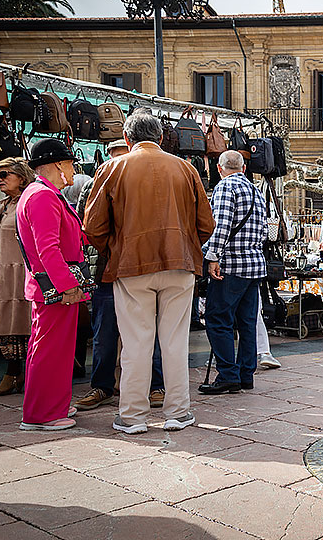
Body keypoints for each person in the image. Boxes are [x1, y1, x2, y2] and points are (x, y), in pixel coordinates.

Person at [84, 109, 214, 434]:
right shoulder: (185, 168)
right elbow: (206, 225)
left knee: (136, 343)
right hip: (180, 264)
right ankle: (178, 413)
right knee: (174, 342)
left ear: (127, 139)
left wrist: (117, 249)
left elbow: (92, 227)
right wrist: (185, 244)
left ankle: (132, 416)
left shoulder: (111, 168)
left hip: (131, 266)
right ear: (160, 137)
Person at [73, 148, 166, 413]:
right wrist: (110, 251)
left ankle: (155, 385)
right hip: (109, 270)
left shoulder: (147, 184)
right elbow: (87, 224)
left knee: (150, 329)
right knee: (105, 331)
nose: (120, 160)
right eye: (115, 154)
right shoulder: (96, 182)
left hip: (142, 267)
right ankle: (102, 386)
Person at [16, 139, 87, 431]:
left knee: (50, 349)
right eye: (70, 163)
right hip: (55, 288)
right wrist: (67, 286)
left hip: (49, 286)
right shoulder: (43, 195)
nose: (73, 170)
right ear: (59, 164)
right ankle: (42, 414)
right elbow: (48, 248)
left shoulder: (41, 193)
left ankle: (51, 406)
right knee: (50, 350)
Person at [199, 150, 267, 394]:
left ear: (219, 168)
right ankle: (246, 374)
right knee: (247, 322)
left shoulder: (226, 187)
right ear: (244, 168)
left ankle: (228, 374)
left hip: (231, 266)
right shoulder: (255, 190)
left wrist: (212, 255)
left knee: (217, 319)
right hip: (254, 265)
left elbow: (222, 225)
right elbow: (262, 230)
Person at [0, 157, 36, 396]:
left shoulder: (28, 203)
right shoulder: (3, 205)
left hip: (22, 271)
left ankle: (22, 373)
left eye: (5, 174)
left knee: (24, 321)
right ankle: (12, 372)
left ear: (22, 178)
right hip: (2, 272)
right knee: (7, 323)